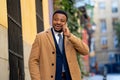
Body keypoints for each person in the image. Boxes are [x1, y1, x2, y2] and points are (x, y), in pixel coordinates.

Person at [29, 10, 89, 80]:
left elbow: (85, 51)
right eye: (55, 19)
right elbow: (33, 61)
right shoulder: (40, 37)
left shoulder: (70, 38)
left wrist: (70, 36)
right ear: (52, 20)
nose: (58, 22)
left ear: (66, 23)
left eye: (62, 21)